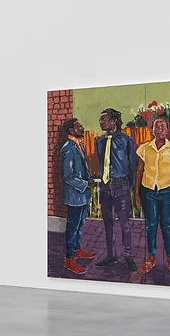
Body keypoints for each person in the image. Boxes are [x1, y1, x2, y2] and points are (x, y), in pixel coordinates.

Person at [135, 116, 170, 278]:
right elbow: (139, 171)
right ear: (151, 130)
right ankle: (151, 258)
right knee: (150, 226)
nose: (159, 130)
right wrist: (136, 194)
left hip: (167, 191)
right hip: (149, 191)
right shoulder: (144, 149)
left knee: (167, 226)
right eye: (156, 127)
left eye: (162, 127)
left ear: (168, 130)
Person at [93, 108, 138, 272]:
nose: (101, 122)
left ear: (114, 121)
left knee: (125, 223)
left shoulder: (127, 140)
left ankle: (128, 256)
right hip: (106, 186)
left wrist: (127, 184)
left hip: (121, 186)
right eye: (100, 119)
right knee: (108, 223)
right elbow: (102, 162)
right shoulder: (99, 141)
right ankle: (111, 254)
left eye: (104, 119)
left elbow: (133, 165)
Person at [58, 118, 95, 275]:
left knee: (80, 224)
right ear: (71, 130)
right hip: (74, 195)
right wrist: (86, 184)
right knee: (72, 227)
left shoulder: (78, 144)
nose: (82, 128)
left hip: (81, 194)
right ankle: (69, 259)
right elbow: (68, 176)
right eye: (79, 126)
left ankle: (78, 250)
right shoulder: (68, 148)